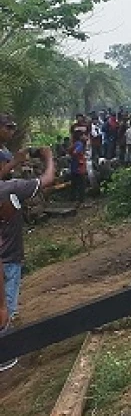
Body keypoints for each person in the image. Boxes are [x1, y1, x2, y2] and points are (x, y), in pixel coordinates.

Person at [0, 145, 55, 371]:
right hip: (8, 258)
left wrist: (13, 162)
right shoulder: (12, 187)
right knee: (4, 308)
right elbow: (48, 179)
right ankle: (4, 355)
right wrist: (48, 157)